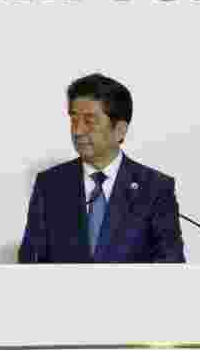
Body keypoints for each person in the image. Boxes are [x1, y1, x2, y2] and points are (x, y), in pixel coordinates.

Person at [18, 73, 184, 263]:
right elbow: (29, 263)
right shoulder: (50, 185)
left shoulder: (154, 188)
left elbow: (171, 263)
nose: (77, 131)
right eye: (74, 120)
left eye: (89, 120)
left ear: (120, 130)